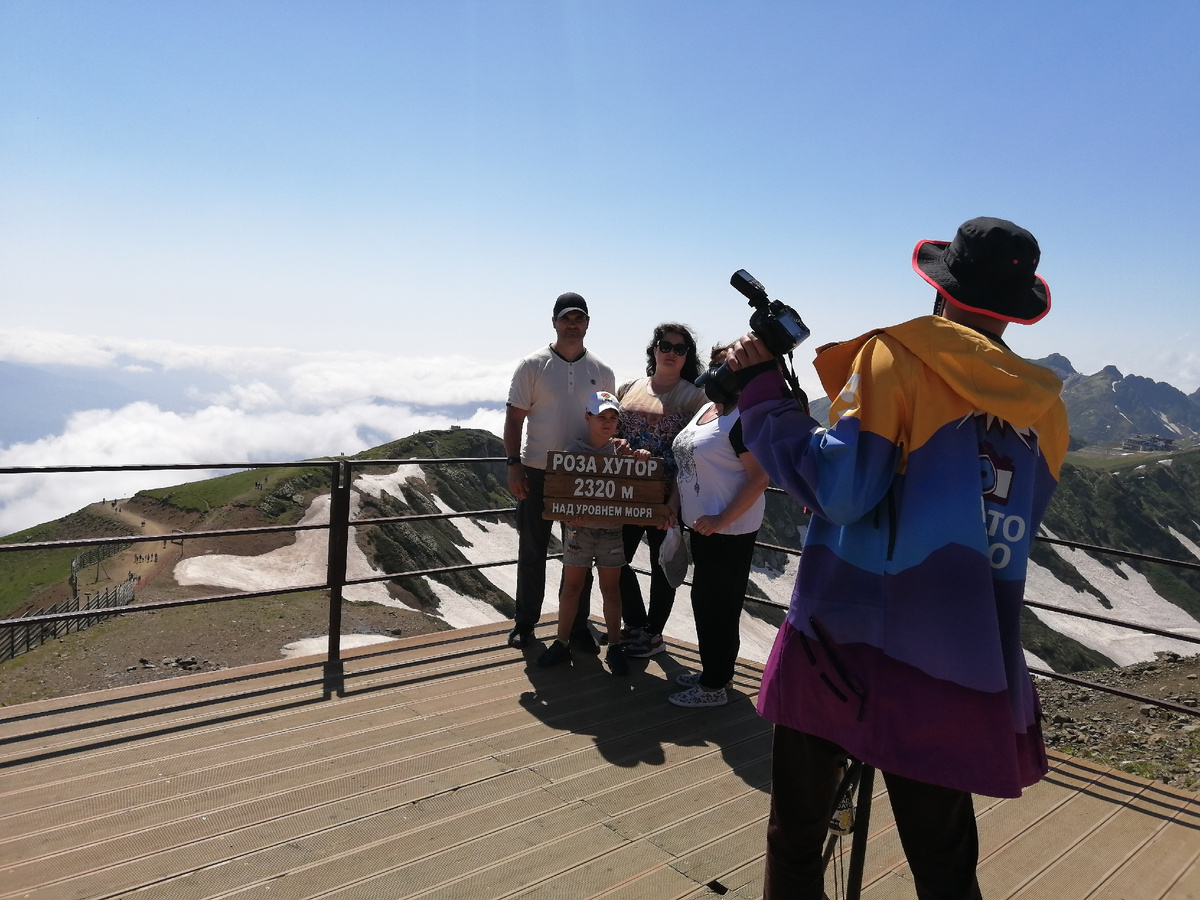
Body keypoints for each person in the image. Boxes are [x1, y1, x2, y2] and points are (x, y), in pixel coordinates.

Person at [727, 217, 1070, 899]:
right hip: (955, 658)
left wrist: (764, 392)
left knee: (797, 839)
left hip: (841, 643)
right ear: (1014, 309)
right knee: (944, 865)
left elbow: (841, 492)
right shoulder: (1046, 412)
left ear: (942, 288)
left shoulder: (895, 358)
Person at [505, 292, 616, 650]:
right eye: (566, 318)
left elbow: (607, 422)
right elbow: (514, 419)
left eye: (578, 318)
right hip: (537, 472)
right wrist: (514, 465)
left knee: (580, 556)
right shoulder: (532, 365)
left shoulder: (602, 371)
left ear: (587, 323)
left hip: (582, 475)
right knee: (532, 551)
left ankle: (577, 627)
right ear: (554, 322)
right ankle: (525, 623)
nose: (572, 324)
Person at [667, 344, 770, 708]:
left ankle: (713, 687)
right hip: (705, 527)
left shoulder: (742, 417)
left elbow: (759, 478)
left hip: (729, 529)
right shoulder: (709, 408)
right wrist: (675, 505)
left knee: (717, 605)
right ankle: (716, 672)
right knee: (707, 601)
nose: (717, 371)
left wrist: (720, 519)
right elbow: (687, 461)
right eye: (715, 364)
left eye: (727, 365)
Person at [536, 391, 649, 677]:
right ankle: (561, 641)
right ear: (588, 418)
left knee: (610, 590)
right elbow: (559, 493)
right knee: (572, 588)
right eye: (601, 417)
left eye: (613, 418)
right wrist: (566, 515)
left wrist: (641, 457)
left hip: (612, 531)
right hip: (579, 531)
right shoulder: (571, 452)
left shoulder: (622, 452)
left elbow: (639, 478)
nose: (608, 422)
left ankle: (614, 646)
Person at [615, 323, 708, 658]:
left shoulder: (696, 397)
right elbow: (609, 429)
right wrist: (616, 442)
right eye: (665, 346)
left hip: (667, 497)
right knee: (614, 559)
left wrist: (674, 504)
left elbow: (692, 454)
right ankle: (636, 623)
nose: (671, 353)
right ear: (654, 349)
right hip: (624, 493)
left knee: (661, 566)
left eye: (679, 349)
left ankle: (653, 635)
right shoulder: (628, 388)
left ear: (687, 356)